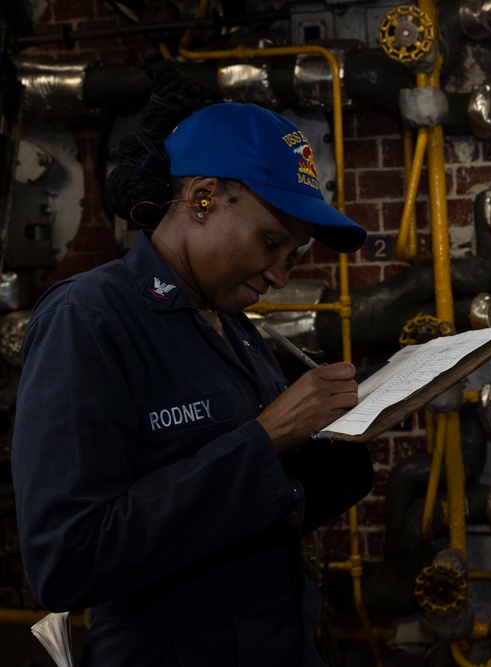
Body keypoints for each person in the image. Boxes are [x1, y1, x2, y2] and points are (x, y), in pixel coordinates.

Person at [11, 96, 375, 666]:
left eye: (293, 254)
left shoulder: (234, 327)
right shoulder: (90, 319)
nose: (279, 275)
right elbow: (67, 560)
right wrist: (264, 439)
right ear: (203, 198)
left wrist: (338, 447)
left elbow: (244, 507)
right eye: (272, 242)